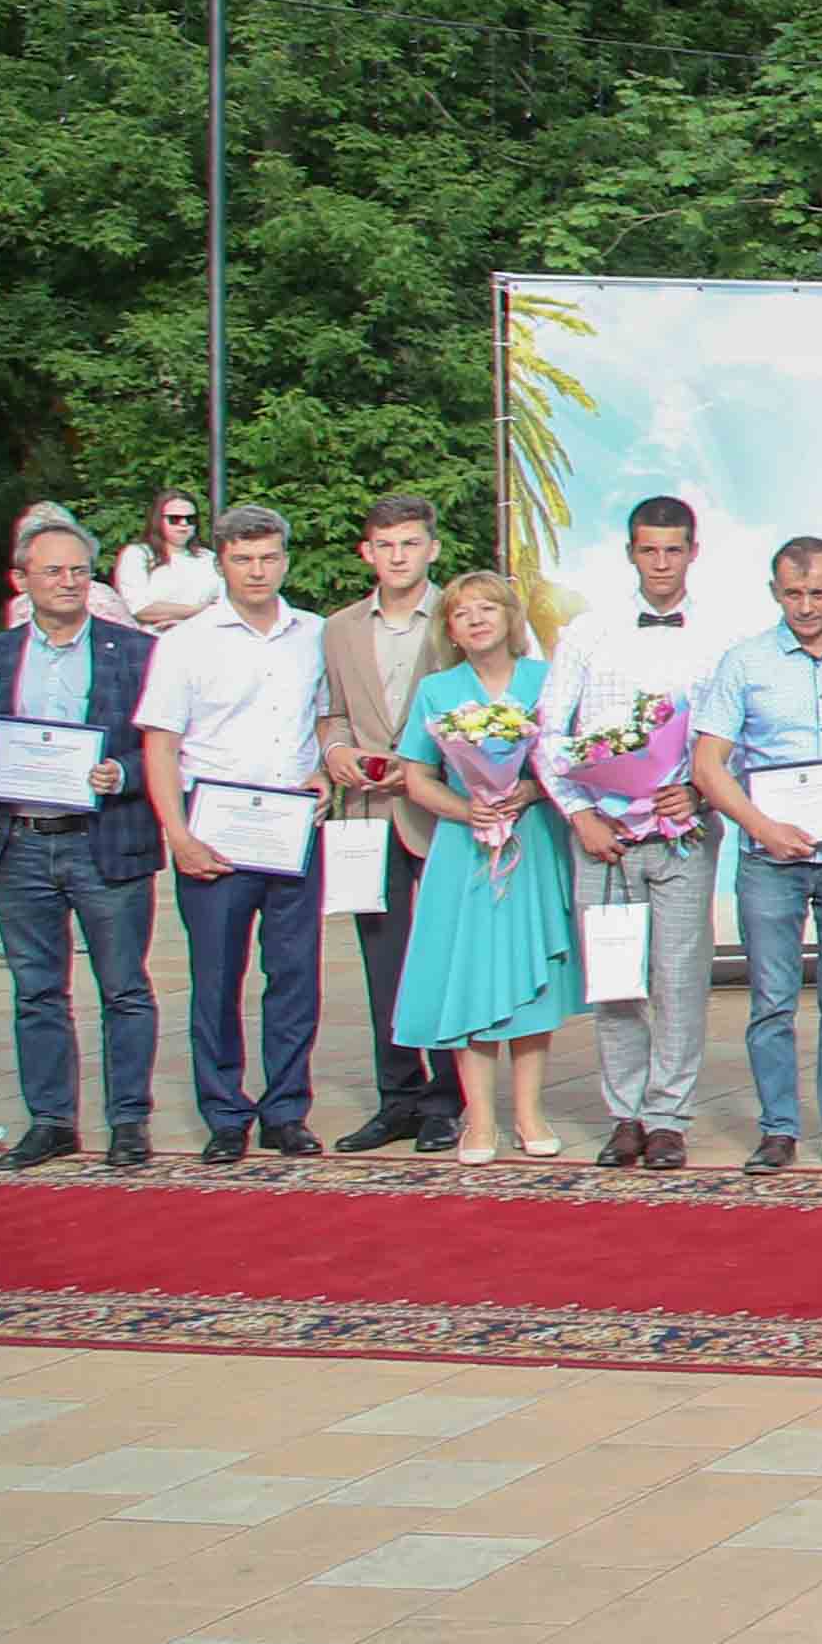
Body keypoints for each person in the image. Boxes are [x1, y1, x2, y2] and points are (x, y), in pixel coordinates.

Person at [690, 535, 822, 1174]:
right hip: (770, 862)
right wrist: (763, 827)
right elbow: (708, 764)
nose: (806, 606)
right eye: (792, 593)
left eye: (817, 592)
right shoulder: (744, 662)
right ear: (774, 592)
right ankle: (777, 1130)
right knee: (771, 999)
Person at [0, 506, 162, 1166]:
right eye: (53, 571)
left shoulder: (137, 652)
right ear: (21, 579)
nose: (69, 582)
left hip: (106, 838)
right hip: (20, 842)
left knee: (124, 988)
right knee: (37, 992)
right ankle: (51, 1120)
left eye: (79, 570)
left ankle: (128, 1120)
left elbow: (166, 748)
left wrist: (122, 772)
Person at [133, 502, 332, 1161]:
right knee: (217, 977)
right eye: (243, 559)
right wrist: (178, 835)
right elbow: (161, 745)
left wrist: (324, 769)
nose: (257, 570)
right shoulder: (185, 643)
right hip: (214, 827)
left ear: (286, 560)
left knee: (295, 974)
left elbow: (326, 720)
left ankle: (286, 1111)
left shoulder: (314, 633)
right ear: (221, 562)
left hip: (292, 825)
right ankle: (224, 1114)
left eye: (269, 557)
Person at [532, 496, 724, 1169]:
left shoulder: (721, 637)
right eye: (649, 550)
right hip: (605, 837)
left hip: (683, 832)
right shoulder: (587, 633)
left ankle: (668, 1116)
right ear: (630, 553)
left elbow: (737, 736)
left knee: (679, 979)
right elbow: (549, 733)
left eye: (673, 550)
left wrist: (699, 790)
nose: (661, 563)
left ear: (693, 552)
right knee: (615, 979)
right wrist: (580, 814)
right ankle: (625, 1114)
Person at [386, 572, 573, 1162]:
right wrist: (466, 808)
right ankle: (481, 1120)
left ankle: (529, 1113)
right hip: (464, 848)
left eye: (487, 608)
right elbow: (417, 776)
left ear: (510, 617)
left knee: (528, 975)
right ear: (450, 630)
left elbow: (568, 761)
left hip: (531, 841)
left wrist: (530, 791)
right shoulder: (437, 691)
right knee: (468, 976)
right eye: (461, 612)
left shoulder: (546, 681)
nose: (475, 620)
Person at [316, 494, 458, 1155]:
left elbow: (483, 708)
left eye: (410, 543)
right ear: (366, 552)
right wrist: (336, 751)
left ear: (432, 549)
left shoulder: (459, 615)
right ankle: (397, 1096)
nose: (398, 556)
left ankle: (449, 1097)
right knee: (383, 959)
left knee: (447, 953)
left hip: (440, 807)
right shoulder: (339, 627)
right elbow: (333, 711)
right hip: (367, 813)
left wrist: (426, 770)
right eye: (385, 545)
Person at [111, 492, 217, 632]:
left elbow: (227, 603)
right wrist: (198, 610)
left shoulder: (208, 557)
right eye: (175, 519)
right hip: (155, 638)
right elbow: (140, 609)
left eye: (190, 519)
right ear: (158, 520)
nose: (184, 524)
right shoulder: (138, 554)